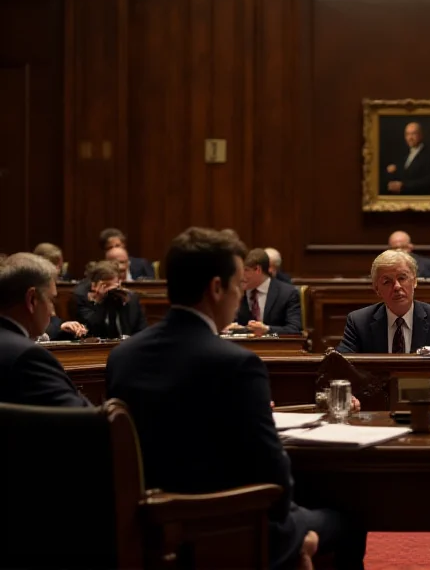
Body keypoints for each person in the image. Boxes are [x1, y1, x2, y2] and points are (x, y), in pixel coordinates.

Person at [106, 227, 366, 569]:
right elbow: (274, 475)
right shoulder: (237, 364)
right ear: (216, 288)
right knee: (350, 518)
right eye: (237, 286)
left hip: (146, 531)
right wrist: (294, 531)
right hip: (230, 527)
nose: (240, 297)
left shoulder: (123, 356)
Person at [0, 253, 90, 406]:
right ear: (32, 300)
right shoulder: (28, 356)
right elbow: (82, 418)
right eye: (50, 300)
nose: (51, 311)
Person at [337, 249, 430, 353]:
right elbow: (342, 364)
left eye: (402, 278)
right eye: (387, 281)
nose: (397, 286)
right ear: (377, 289)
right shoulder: (359, 322)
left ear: (414, 281)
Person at [72, 260, 147, 338]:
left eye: (115, 285)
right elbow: (90, 332)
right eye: (106, 285)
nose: (111, 290)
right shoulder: (81, 299)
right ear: (94, 285)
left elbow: (142, 331)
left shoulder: (131, 299)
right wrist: (100, 301)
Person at [234, 248, 302, 335]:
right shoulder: (236, 291)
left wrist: (267, 329)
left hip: (276, 347)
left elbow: (294, 329)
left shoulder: (288, 293)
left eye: (246, 270)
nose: (241, 276)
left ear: (257, 269)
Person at [385, 122, 430, 195]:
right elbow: (405, 173)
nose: (410, 138)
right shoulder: (404, 154)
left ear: (421, 135)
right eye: (407, 134)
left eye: (413, 134)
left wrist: (403, 186)